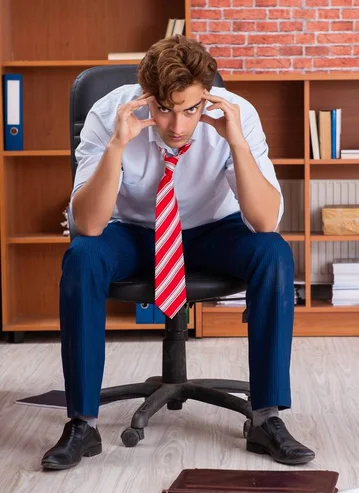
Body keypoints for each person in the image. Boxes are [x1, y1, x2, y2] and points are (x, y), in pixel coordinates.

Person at [41, 35, 315, 470]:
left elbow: (264, 221)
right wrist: (117, 145)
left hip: (213, 231)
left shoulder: (233, 113)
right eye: (164, 108)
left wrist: (237, 144)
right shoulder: (109, 113)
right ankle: (82, 423)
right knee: (82, 257)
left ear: (206, 95)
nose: (177, 126)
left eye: (190, 109)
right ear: (145, 95)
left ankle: (265, 418)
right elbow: (89, 226)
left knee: (273, 253)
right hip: (133, 233)